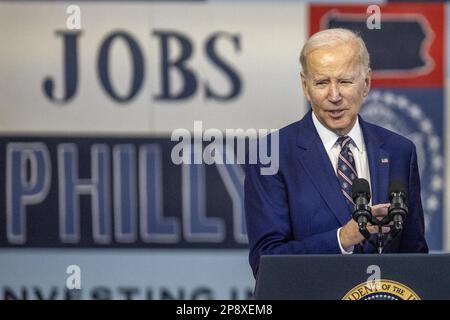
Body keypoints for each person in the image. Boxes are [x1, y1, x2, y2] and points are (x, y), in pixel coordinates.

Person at [244, 28, 428, 278]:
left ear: (366, 84)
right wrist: (343, 239)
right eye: (321, 82)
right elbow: (266, 262)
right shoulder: (271, 154)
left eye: (344, 81)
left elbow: (414, 256)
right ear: (305, 86)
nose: (334, 96)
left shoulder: (399, 151)